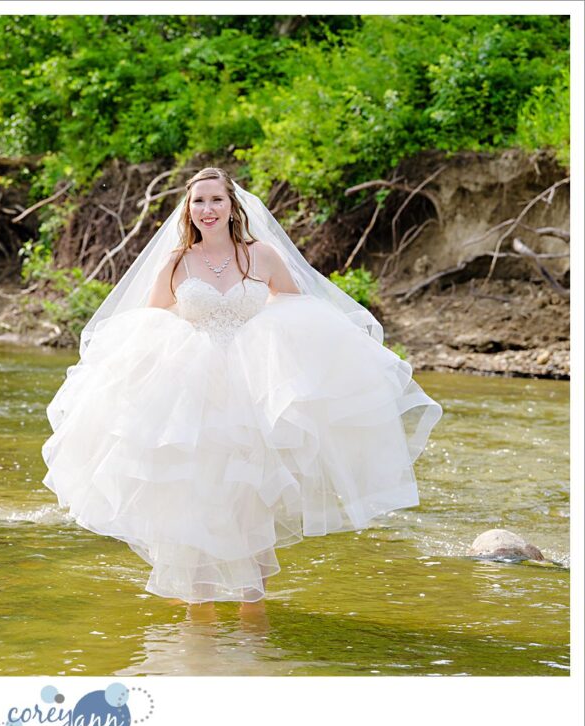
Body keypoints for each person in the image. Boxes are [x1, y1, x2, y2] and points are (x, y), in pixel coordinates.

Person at [41, 167, 442, 615]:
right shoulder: (177, 262)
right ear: (188, 209)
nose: (207, 209)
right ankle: (200, 612)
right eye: (198, 201)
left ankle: (254, 614)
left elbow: (298, 313)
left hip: (251, 390)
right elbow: (148, 323)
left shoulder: (262, 256)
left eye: (215, 200)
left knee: (249, 493)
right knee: (196, 493)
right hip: (193, 392)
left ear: (233, 206)